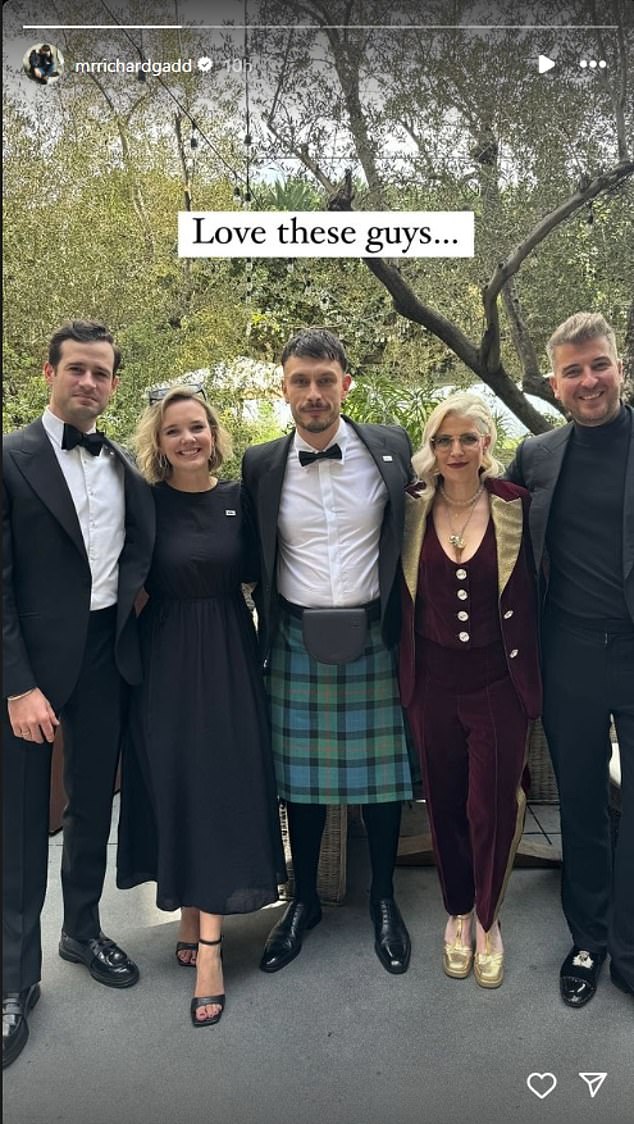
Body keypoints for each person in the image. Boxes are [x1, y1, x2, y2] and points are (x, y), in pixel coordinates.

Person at [2, 320, 155, 1068]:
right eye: (76, 370)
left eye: (101, 373)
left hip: (105, 657)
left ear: (114, 384)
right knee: (22, 822)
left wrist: (137, 595)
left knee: (95, 802)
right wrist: (19, 685)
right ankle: (12, 978)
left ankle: (83, 930)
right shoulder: (10, 457)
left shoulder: (122, 462)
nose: (88, 383)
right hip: (28, 672)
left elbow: (137, 547)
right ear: (49, 372)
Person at [242, 327, 415, 976]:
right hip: (294, 636)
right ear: (284, 387)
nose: (313, 394)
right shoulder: (260, 463)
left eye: (325, 380)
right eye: (300, 381)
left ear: (346, 382)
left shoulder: (392, 448)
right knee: (302, 787)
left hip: (376, 635)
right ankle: (304, 900)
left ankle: (384, 901)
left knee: (383, 783)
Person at [116, 386, 286, 1028]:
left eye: (197, 428)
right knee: (176, 782)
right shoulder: (145, 505)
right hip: (163, 661)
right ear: (157, 445)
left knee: (218, 783)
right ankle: (189, 911)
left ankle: (210, 948)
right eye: (173, 432)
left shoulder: (242, 500)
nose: (187, 439)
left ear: (213, 433)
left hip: (226, 654)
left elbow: (269, 572)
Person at [506, 312, 634, 1006]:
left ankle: (630, 944)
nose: (590, 381)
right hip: (570, 653)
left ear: (621, 365)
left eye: (600, 364)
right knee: (582, 804)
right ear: (556, 384)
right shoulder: (538, 457)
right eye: (575, 370)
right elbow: (482, 518)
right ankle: (588, 937)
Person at [400, 393, 541, 987]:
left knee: (491, 806)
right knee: (446, 800)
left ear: (486, 444)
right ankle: (456, 910)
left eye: (467, 439)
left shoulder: (516, 507)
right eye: (443, 440)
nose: (455, 451)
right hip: (431, 681)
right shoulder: (410, 511)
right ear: (430, 449)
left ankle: (488, 917)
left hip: (498, 682)